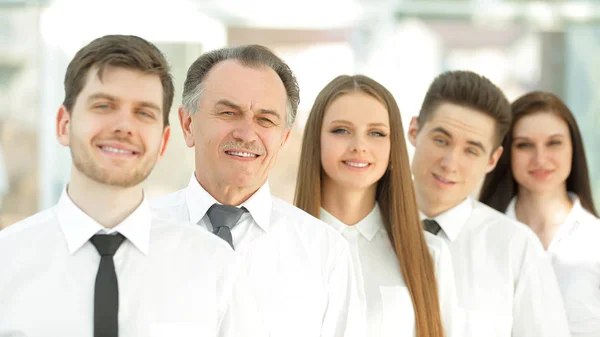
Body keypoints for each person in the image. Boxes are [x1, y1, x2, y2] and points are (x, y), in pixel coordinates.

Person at [0, 35, 265, 337]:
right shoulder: (6, 261)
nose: (124, 126)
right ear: (64, 125)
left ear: (163, 141)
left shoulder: (214, 266)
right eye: (104, 105)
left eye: (143, 113)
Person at [151, 45, 365, 337]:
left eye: (266, 120)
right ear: (188, 124)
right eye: (228, 112)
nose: (247, 134)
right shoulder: (137, 237)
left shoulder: (325, 253)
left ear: (283, 138)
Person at [407, 70, 571, 337]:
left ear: (492, 160)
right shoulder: (363, 228)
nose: (450, 163)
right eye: (440, 140)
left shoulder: (516, 248)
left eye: (471, 150)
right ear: (414, 130)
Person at [294, 74, 458, 337]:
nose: (359, 146)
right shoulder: (279, 244)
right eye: (341, 130)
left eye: (376, 133)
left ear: (394, 147)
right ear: (317, 139)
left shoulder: (430, 255)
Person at [480, 91, 600, 337]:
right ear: (504, 154)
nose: (540, 158)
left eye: (554, 143)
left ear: (573, 149)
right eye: (524, 145)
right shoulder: (481, 238)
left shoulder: (595, 241)